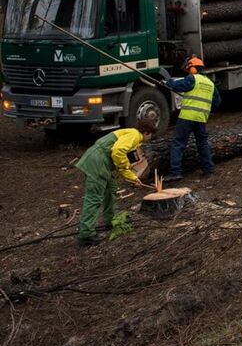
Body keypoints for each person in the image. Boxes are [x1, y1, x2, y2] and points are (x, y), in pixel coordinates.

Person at [76, 117, 158, 247]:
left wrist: (131, 177)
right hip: (98, 162)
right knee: (94, 198)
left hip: (104, 163)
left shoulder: (131, 134)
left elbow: (119, 158)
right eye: (151, 135)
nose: (150, 138)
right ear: (147, 132)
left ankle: (111, 220)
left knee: (111, 190)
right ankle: (86, 234)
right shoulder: (134, 135)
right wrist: (127, 172)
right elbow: (118, 151)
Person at [164, 56, 221, 182]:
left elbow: (178, 86)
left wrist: (168, 83)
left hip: (187, 116)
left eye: (189, 69)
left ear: (194, 68)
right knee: (202, 144)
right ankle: (208, 169)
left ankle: (175, 172)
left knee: (178, 143)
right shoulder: (210, 83)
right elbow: (217, 103)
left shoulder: (192, 79)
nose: (188, 72)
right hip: (201, 118)